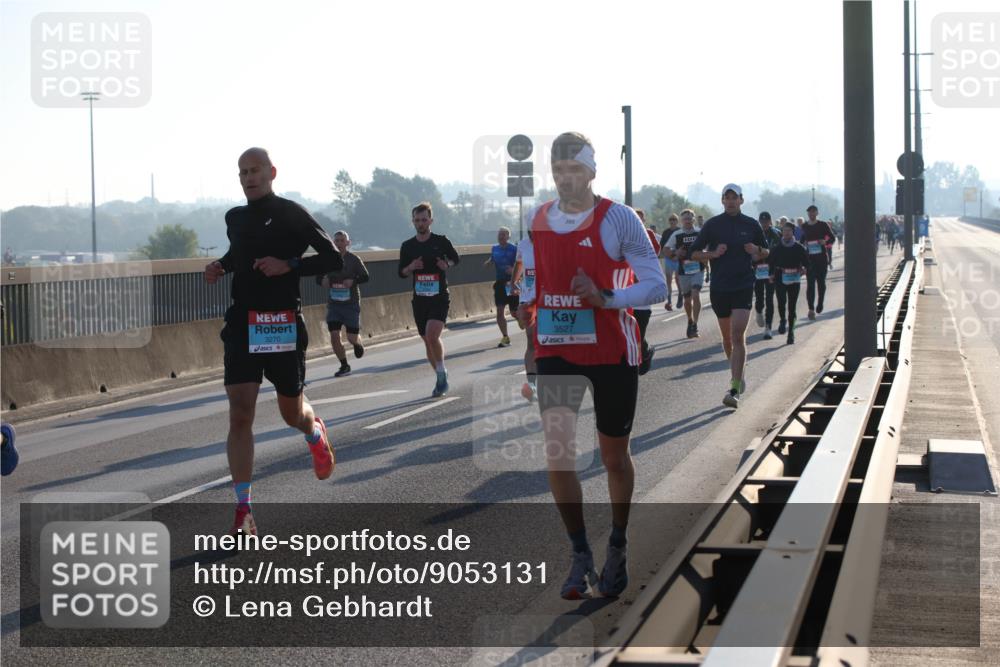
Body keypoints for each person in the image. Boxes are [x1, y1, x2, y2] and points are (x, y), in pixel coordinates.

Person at [528, 132, 666, 600]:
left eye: (574, 170)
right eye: (558, 170)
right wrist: (531, 337)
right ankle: (579, 554)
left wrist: (607, 297)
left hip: (611, 350)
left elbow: (656, 286)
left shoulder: (619, 219)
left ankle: (618, 543)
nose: (566, 178)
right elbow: (536, 284)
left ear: (591, 171)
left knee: (612, 457)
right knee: (559, 454)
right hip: (557, 349)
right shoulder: (538, 218)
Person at [204, 147, 341, 536]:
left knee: (291, 415)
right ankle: (243, 510)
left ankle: (315, 432)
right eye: (243, 172)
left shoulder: (291, 213)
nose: (249, 178)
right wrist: (220, 266)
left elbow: (332, 258)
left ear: (271, 172)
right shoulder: (235, 217)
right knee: (240, 413)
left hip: (281, 323)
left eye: (255, 171)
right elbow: (238, 253)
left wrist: (290, 265)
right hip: (243, 323)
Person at [689, 184, 768, 409]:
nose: (731, 201)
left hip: (743, 284)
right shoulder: (713, 225)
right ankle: (738, 373)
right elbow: (693, 253)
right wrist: (712, 254)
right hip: (720, 287)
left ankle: (733, 388)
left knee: (737, 334)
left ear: (741, 200)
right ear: (722, 201)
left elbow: (767, 251)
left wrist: (757, 251)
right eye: (727, 198)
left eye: (735, 198)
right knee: (726, 339)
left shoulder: (751, 225)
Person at [399, 202, 461, 397]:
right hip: (420, 299)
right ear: (413, 222)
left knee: (432, 335)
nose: (420, 223)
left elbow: (455, 259)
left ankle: (441, 373)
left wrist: (446, 264)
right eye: (417, 220)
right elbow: (401, 272)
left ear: (431, 220)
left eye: (424, 219)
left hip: (439, 297)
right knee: (427, 341)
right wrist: (411, 267)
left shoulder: (441, 241)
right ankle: (440, 375)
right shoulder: (407, 246)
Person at [318, 230, 370, 377]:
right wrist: (323, 281)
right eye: (337, 241)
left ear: (348, 243)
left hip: (351, 304)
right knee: (334, 335)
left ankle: (358, 343)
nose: (339, 243)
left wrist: (353, 281)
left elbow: (366, 276)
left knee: (351, 337)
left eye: (342, 241)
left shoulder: (354, 259)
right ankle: (344, 365)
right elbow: (318, 278)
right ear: (333, 243)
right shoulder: (328, 260)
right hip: (334, 305)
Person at [665, 209, 704, 338]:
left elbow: (709, 246)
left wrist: (704, 253)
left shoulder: (700, 232)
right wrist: (675, 253)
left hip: (698, 268)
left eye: (690, 218)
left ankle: (696, 324)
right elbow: (665, 250)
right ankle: (690, 320)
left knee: (695, 294)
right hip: (684, 270)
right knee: (687, 300)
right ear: (681, 221)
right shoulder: (677, 234)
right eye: (685, 218)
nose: (687, 220)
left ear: (693, 219)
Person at [769, 221, 809, 344]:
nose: (786, 233)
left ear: (793, 232)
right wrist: (771, 275)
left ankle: (791, 332)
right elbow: (771, 263)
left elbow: (807, 263)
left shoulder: (799, 247)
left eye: (789, 231)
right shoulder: (777, 248)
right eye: (784, 231)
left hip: (795, 278)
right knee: (781, 302)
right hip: (780, 277)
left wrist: (804, 270)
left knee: (792, 307)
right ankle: (782, 320)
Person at [633, 209, 660, 375]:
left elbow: (655, 253)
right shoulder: (620, 233)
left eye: (640, 219)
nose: (638, 222)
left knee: (639, 331)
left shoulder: (648, 234)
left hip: (643, 291)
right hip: (625, 290)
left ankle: (644, 354)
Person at [511, 231, 537, 401]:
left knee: (546, 340)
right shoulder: (523, 244)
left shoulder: (553, 241)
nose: (532, 232)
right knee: (531, 339)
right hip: (528, 298)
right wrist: (514, 280)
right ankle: (532, 384)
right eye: (530, 228)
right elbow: (519, 262)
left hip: (548, 298)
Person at [484, 226, 519, 347]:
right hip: (500, 283)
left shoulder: (514, 249)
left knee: (514, 312)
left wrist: (513, 270)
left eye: (504, 235)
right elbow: (493, 258)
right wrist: (489, 263)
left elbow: (523, 264)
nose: (501, 237)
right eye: (499, 235)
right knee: (500, 312)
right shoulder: (494, 249)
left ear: (509, 237)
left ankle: (522, 320)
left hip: (512, 282)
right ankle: (505, 337)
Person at [802, 205, 836, 320]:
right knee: (810, 284)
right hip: (810, 259)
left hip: (821, 258)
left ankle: (820, 302)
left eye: (813, 212)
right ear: (807, 214)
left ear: (817, 213)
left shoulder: (822, 225)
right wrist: (804, 244)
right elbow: (801, 241)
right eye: (809, 212)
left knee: (821, 283)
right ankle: (811, 309)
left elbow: (832, 238)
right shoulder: (804, 226)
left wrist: (824, 241)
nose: (811, 214)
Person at [753, 212, 782, 340]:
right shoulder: (754, 234)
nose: (764, 224)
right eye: (762, 221)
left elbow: (778, 252)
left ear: (770, 221)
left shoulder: (776, 234)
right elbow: (750, 251)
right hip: (758, 270)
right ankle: (758, 310)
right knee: (759, 297)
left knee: (769, 298)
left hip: (771, 270)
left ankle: (768, 327)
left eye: (766, 221)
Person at [658, 214, 680, 310]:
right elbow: (662, 247)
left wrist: (677, 256)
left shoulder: (680, 231)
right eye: (671, 219)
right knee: (668, 281)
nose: (672, 221)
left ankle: (680, 295)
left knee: (679, 280)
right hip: (668, 259)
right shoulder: (666, 232)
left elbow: (683, 246)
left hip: (678, 259)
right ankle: (669, 301)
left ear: (677, 221)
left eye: (674, 219)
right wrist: (663, 256)